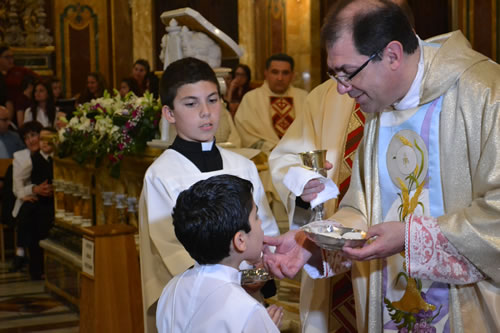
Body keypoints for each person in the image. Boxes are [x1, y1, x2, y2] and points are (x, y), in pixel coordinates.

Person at [264, 0, 500, 332]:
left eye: (347, 73)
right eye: (335, 75)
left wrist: (409, 238)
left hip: (470, 309)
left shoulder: (486, 92)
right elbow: (360, 208)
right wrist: (314, 240)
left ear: (391, 55)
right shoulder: (380, 105)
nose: (341, 89)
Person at [138, 57, 280, 333]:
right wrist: (236, 281)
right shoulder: (161, 175)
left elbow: (266, 232)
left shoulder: (243, 166)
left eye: (213, 100)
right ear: (169, 113)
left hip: (249, 298)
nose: (206, 112)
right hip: (198, 308)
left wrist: (264, 271)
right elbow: (173, 252)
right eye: (191, 104)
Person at [269, 79, 359, 332]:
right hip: (327, 253)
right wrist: (302, 184)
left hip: (386, 255)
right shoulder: (329, 94)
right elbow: (286, 158)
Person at [156, 174, 283, 332]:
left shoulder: (171, 288)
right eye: (256, 216)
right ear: (240, 241)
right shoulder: (248, 311)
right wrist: (264, 326)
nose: (261, 222)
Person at [235, 53, 308, 154]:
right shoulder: (251, 98)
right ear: (266, 73)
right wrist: (274, 149)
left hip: (299, 156)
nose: (280, 78)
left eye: (285, 73)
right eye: (275, 72)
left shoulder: (304, 98)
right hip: (266, 157)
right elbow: (246, 135)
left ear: (292, 75)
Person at [16, 126, 56, 279]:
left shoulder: (57, 158)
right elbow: (19, 180)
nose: (45, 143)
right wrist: (33, 190)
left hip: (54, 202)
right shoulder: (32, 160)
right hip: (40, 202)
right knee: (36, 224)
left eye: (49, 139)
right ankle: (37, 269)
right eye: (42, 139)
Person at [9, 120, 44, 272]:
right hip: (26, 197)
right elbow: (17, 189)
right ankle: (23, 254)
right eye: (26, 138)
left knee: (29, 211)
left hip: (45, 196)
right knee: (28, 208)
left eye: (33, 135)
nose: (31, 140)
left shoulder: (48, 152)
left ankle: (21, 252)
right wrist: (32, 190)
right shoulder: (20, 157)